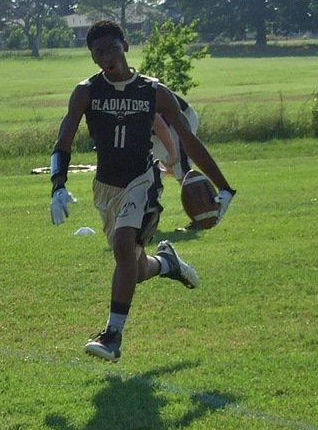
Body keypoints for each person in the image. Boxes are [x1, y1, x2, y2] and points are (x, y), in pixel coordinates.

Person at [49, 20, 236, 363]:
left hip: (143, 179)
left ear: (127, 45)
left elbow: (188, 139)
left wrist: (225, 188)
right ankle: (167, 264)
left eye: (112, 48)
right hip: (106, 188)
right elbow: (63, 140)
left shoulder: (153, 92)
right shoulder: (86, 92)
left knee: (122, 246)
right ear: (92, 57)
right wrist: (57, 185)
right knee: (132, 267)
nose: (108, 57)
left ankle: (112, 337)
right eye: (99, 52)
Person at [151, 92, 200, 182]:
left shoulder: (140, 92)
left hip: (178, 119)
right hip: (155, 128)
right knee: (150, 172)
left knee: (182, 170)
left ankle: (199, 194)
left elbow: (160, 126)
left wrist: (173, 155)